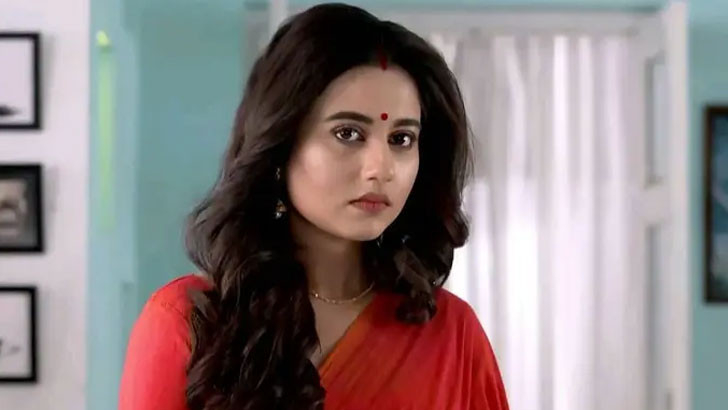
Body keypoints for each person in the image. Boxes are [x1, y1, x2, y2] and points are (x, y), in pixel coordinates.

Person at [118, 3, 509, 409]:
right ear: (280, 145)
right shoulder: (188, 323)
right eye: (348, 133)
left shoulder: (452, 335)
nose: (381, 168)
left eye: (401, 139)